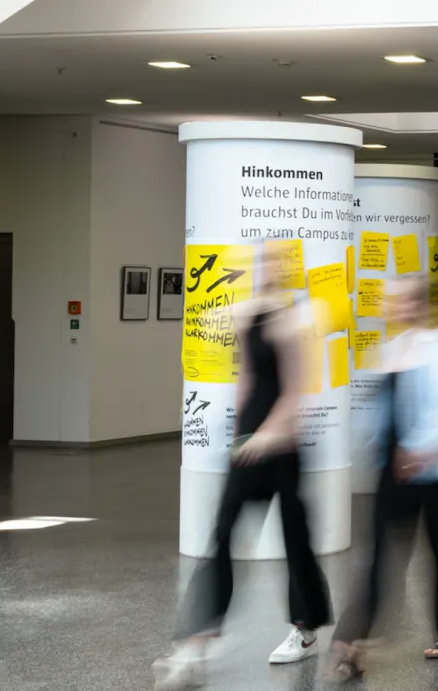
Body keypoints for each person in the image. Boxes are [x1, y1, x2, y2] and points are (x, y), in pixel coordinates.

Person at [153, 247, 332, 689]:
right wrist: (238, 431)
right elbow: (247, 379)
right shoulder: (247, 315)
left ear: (288, 271)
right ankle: (195, 644)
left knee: (296, 540)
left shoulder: (295, 322)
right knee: (222, 532)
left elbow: (296, 390)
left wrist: (269, 433)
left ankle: (305, 629)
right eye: (264, 262)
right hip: (250, 444)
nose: (269, 270)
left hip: (283, 447)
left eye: (277, 263)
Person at [325, 277, 438, 681]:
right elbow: (381, 411)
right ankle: (351, 646)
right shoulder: (393, 348)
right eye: (391, 300)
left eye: (403, 300)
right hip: (394, 471)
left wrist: (421, 451)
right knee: (379, 557)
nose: (394, 306)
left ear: (422, 303)